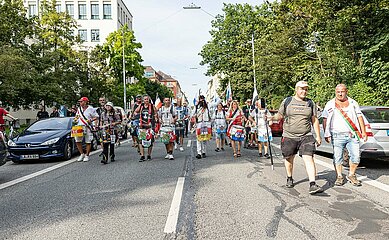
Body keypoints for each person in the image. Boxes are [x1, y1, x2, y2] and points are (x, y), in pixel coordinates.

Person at [273, 81, 323, 194]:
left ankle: (313, 184)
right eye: (302, 89)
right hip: (289, 135)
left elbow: (314, 120)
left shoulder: (310, 103)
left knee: (308, 157)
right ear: (296, 89)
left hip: (306, 135)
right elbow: (279, 115)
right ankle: (289, 177)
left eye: (306, 89)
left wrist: (318, 136)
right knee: (289, 158)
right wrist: (271, 118)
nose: (304, 91)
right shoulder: (287, 101)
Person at [322, 84, 367, 186]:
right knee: (338, 157)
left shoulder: (353, 103)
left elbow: (360, 117)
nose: (340, 94)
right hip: (337, 135)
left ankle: (352, 174)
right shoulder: (330, 104)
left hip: (352, 135)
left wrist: (363, 131)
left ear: (346, 91)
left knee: (356, 157)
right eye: (338, 92)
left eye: (342, 91)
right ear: (335, 92)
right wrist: (326, 133)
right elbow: (325, 119)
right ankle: (339, 176)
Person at [73, 97, 98, 162]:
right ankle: (81, 154)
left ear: (85, 102)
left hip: (87, 126)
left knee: (88, 141)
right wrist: (75, 120)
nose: (80, 103)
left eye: (81, 101)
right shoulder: (79, 109)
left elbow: (96, 116)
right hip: (79, 126)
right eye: (80, 102)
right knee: (77, 141)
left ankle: (87, 155)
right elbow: (77, 116)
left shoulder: (91, 109)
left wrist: (91, 120)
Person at [134, 95, 158, 162]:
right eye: (145, 99)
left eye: (147, 99)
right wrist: (137, 115)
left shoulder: (152, 106)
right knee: (141, 140)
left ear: (149, 100)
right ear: (143, 100)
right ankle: (142, 156)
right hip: (142, 126)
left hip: (150, 125)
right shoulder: (141, 106)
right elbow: (135, 111)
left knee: (150, 140)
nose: (146, 100)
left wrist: (155, 118)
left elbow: (156, 113)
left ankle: (149, 155)